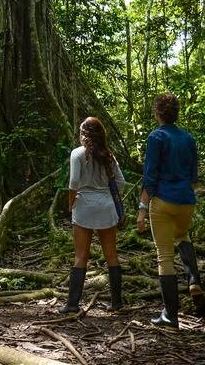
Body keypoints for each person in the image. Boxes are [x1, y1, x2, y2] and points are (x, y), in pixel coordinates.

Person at [137, 93, 202, 329]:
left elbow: (150, 177)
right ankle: (194, 279)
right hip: (187, 199)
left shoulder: (156, 137)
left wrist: (142, 209)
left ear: (157, 113)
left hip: (163, 201)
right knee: (183, 235)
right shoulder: (188, 137)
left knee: (164, 256)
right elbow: (194, 177)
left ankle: (170, 315)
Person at [59, 116, 126, 313]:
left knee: (80, 256)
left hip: (84, 207)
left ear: (83, 135)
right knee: (111, 256)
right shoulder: (109, 156)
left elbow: (73, 184)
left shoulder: (77, 154)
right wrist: (106, 194)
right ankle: (117, 303)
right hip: (106, 208)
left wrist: (71, 204)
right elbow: (120, 183)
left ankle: (72, 304)